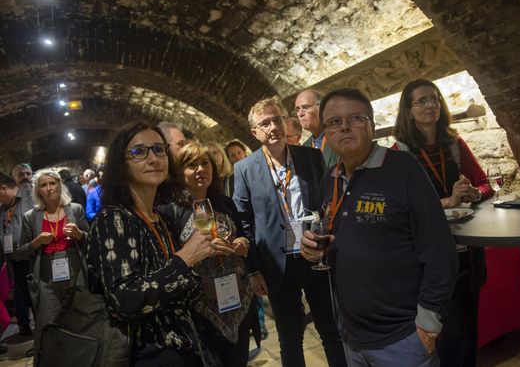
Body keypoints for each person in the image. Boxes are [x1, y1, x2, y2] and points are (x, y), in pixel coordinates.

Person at [300, 88, 458, 367]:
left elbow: (439, 250)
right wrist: (316, 252)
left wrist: (427, 324)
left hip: (404, 337)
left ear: (372, 125)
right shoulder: (330, 179)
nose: (345, 127)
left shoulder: (402, 168)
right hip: (352, 338)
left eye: (356, 118)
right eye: (334, 122)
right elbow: (345, 239)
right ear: (325, 132)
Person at [85, 122, 224, 366]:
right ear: (121, 165)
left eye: (159, 149)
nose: (153, 158)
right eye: (139, 152)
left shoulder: (162, 218)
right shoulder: (113, 219)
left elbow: (182, 286)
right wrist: (184, 260)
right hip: (148, 353)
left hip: (187, 342)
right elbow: (124, 300)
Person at [233, 97, 346, 367]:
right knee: (290, 339)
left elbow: (327, 202)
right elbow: (244, 223)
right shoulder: (245, 169)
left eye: (276, 119)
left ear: (285, 122)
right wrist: (253, 270)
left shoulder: (311, 157)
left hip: (314, 255)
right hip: (276, 263)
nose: (273, 127)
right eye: (265, 123)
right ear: (255, 132)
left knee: (332, 331)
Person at [393, 78, 493, 367]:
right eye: (421, 101)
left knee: (470, 329)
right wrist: (445, 203)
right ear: (408, 111)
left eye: (434, 99)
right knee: (448, 334)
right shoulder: (399, 153)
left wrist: (474, 193)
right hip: (433, 258)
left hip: (469, 251)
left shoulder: (454, 144)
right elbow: (400, 209)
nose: (431, 105)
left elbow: (487, 186)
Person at [161, 142, 254, 366]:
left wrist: (243, 243)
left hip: (237, 301)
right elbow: (170, 260)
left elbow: (243, 236)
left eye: (205, 163)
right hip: (200, 311)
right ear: (179, 172)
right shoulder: (170, 212)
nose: (201, 169)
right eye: (192, 165)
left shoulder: (224, 203)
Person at [18, 168, 89, 361]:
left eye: (52, 183)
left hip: (74, 270)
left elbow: (91, 241)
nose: (49, 188)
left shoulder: (75, 209)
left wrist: (79, 235)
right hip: (46, 275)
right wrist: (37, 242)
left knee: (79, 318)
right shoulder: (30, 217)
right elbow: (21, 251)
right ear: (38, 190)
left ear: (60, 185)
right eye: (43, 185)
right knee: (49, 322)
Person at [0, 171, 34, 341]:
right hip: (14, 260)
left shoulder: (28, 196)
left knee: (37, 297)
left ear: (2, 189)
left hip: (32, 258)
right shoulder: (4, 208)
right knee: (23, 295)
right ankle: (27, 330)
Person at [293, 89, 338, 167]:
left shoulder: (341, 136)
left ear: (322, 107)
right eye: (297, 109)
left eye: (305, 107)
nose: (300, 114)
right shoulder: (304, 149)